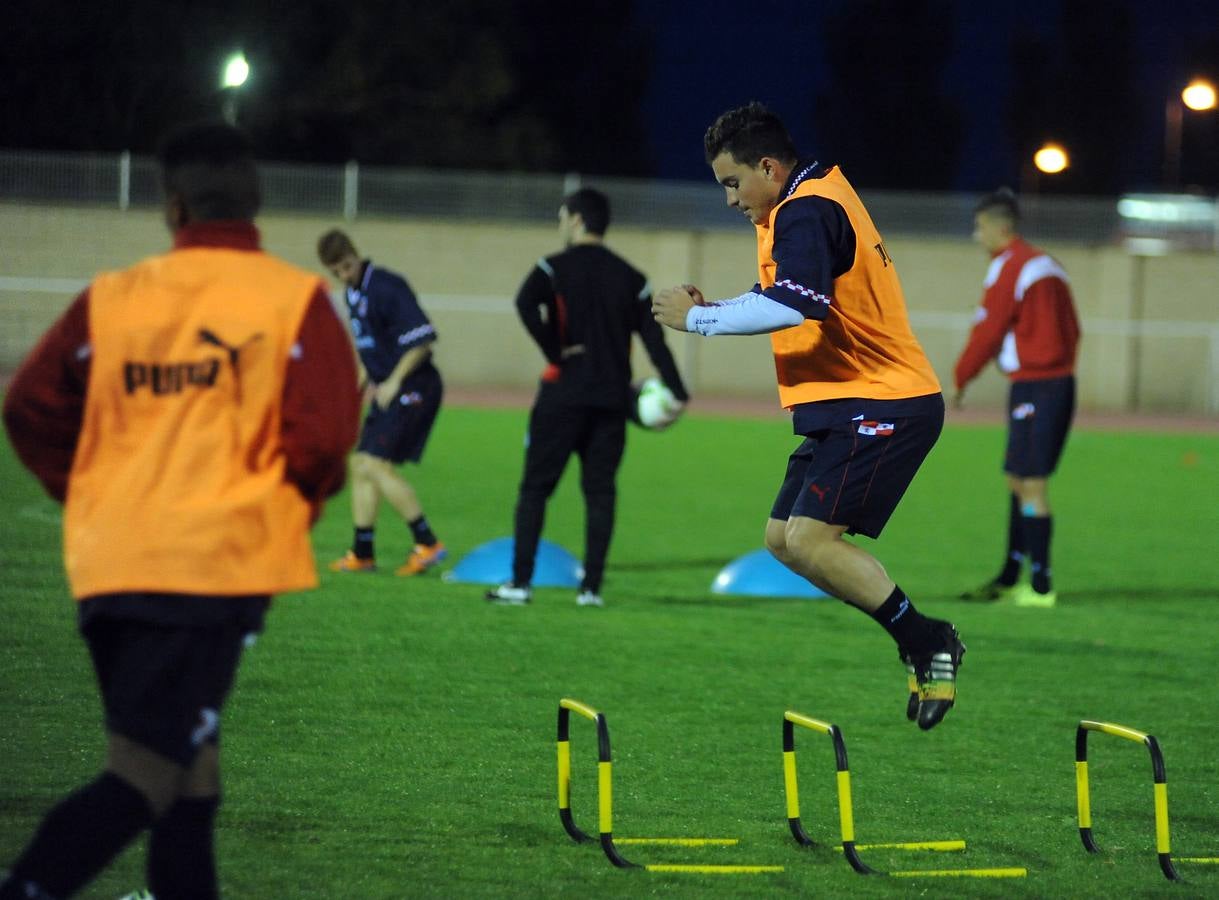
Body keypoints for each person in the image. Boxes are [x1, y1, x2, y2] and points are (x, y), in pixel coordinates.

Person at [0, 121, 360, 900]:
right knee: (144, 776)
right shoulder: (293, 301)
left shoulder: (111, 299)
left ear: (172, 208)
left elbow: (29, 405)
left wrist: (93, 491)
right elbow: (327, 436)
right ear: (255, 203)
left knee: (192, 781)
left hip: (109, 568)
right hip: (208, 573)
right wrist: (283, 505)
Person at [651, 102, 963, 730]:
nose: (730, 199)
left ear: (768, 166)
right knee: (780, 541)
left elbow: (797, 305)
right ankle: (921, 637)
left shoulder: (806, 209)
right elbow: (785, 296)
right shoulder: (798, 203)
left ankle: (926, 640)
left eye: (732, 183)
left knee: (809, 539)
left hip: (885, 400)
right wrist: (718, 307)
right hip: (849, 401)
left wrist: (699, 321)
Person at [485, 187, 689, 608]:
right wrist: (678, 391)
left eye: (563, 216)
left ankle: (520, 585)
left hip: (561, 397)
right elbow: (654, 341)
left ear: (576, 219)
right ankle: (590, 590)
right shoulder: (631, 278)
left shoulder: (553, 267)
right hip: (612, 403)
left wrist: (554, 351)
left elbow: (525, 304)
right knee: (600, 494)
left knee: (535, 490)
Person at [954, 189, 1080, 608]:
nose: (977, 236)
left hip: (1040, 385)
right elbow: (1072, 327)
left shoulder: (1013, 266)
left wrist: (961, 377)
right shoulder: (1044, 264)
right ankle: (1011, 575)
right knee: (1017, 479)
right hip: (1045, 383)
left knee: (1031, 484)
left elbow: (989, 329)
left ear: (999, 227)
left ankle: (1040, 586)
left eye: (980, 227)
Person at [317, 229, 448, 576]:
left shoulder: (388, 287)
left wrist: (393, 381)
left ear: (354, 254)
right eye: (336, 272)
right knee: (360, 464)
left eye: (346, 266)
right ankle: (362, 553)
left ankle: (428, 543)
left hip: (415, 385)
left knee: (375, 463)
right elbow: (369, 352)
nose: (344, 275)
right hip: (391, 388)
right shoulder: (352, 294)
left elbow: (422, 341)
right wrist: (354, 392)